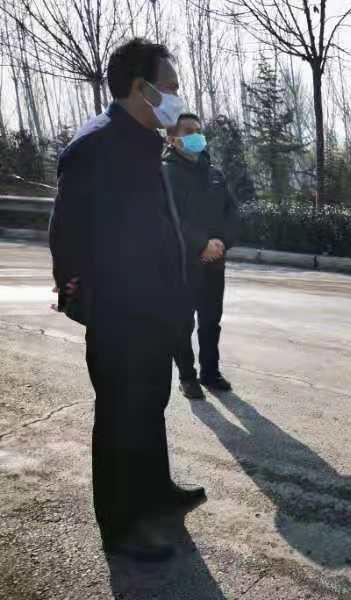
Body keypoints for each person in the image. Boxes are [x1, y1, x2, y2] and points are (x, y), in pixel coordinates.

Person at [49, 38, 205, 561]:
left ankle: (155, 493)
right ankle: (120, 526)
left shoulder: (142, 142)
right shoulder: (95, 146)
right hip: (119, 315)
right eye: (170, 87)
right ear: (140, 88)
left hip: (153, 310)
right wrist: (83, 302)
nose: (176, 97)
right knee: (120, 416)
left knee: (150, 407)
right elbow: (66, 234)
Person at [164, 113, 239, 400]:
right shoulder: (165, 174)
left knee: (211, 320)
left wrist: (222, 243)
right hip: (183, 264)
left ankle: (211, 372)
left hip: (214, 263)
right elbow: (170, 219)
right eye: (188, 131)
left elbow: (231, 212)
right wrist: (200, 245)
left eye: (198, 130)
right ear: (173, 139)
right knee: (182, 322)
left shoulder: (214, 174)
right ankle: (187, 376)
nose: (196, 136)